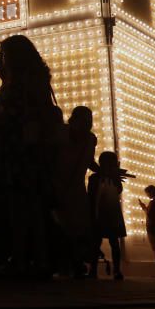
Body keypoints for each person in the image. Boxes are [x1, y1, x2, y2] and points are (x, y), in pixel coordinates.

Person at [0, 35, 63, 277]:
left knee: (18, 208)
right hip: (16, 155)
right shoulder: (27, 84)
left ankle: (20, 258)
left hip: (14, 156)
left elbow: (13, 117)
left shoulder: (21, 88)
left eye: (2, 55)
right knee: (23, 208)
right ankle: (27, 258)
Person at [54, 106, 98, 278]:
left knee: (76, 228)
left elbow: (89, 162)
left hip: (75, 189)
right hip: (59, 186)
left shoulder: (90, 139)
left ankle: (75, 263)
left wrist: (105, 171)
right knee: (63, 227)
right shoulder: (62, 133)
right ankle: (66, 263)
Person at [88, 151, 127, 280]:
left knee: (109, 242)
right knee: (98, 242)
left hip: (109, 213)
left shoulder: (111, 178)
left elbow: (119, 189)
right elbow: (91, 194)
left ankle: (112, 270)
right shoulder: (95, 177)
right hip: (102, 212)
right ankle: (96, 270)